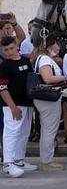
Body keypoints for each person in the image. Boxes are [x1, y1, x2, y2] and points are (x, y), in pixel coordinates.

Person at [1, 35, 36, 177]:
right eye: (5, 50)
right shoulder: (4, 66)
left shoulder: (26, 61)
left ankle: (19, 161)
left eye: (11, 48)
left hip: (27, 104)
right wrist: (12, 107)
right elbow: (2, 88)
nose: (9, 52)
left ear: (17, 45)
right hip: (12, 106)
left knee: (24, 133)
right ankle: (8, 164)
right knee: (11, 133)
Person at [32, 38, 67, 171]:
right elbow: (48, 79)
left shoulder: (43, 58)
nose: (59, 48)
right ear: (50, 45)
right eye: (57, 45)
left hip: (46, 99)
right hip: (48, 99)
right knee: (49, 130)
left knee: (47, 129)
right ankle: (47, 162)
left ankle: (46, 159)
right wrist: (65, 77)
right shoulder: (45, 60)